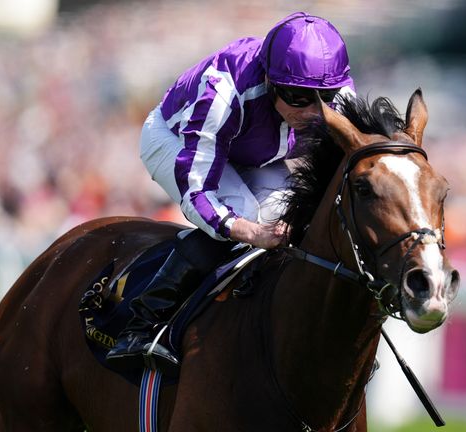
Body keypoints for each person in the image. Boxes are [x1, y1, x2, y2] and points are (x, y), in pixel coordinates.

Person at [105, 11, 356, 375]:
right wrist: (249, 231)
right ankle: (144, 322)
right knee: (248, 217)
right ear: (270, 81)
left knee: (294, 224)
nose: (315, 111)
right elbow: (199, 193)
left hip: (256, 151)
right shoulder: (222, 90)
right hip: (175, 140)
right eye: (299, 97)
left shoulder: (340, 97)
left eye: (325, 96)